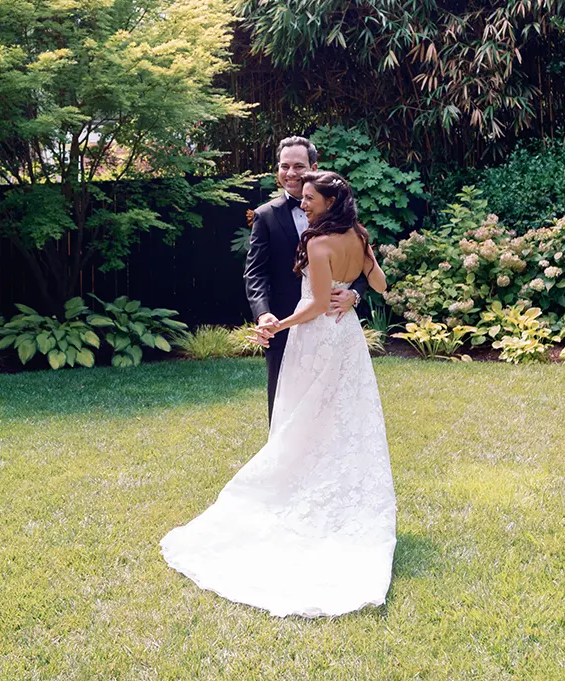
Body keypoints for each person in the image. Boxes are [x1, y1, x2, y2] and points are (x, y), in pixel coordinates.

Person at [160, 170, 396, 618]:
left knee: (303, 417)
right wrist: (357, 291)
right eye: (302, 198)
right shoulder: (359, 236)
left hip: (316, 340)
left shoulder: (318, 243)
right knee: (343, 417)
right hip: (347, 341)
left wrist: (278, 325)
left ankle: (300, 486)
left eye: (309, 198)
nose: (303, 203)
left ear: (329, 202)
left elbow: (312, 304)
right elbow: (381, 285)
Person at [243, 135, 369, 423]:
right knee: (283, 406)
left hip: (331, 325)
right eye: (284, 166)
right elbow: (255, 272)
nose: (290, 173)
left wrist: (355, 294)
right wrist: (264, 315)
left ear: (313, 166)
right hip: (283, 323)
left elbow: (364, 264)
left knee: (334, 404)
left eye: (298, 166)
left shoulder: (342, 216)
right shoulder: (265, 216)